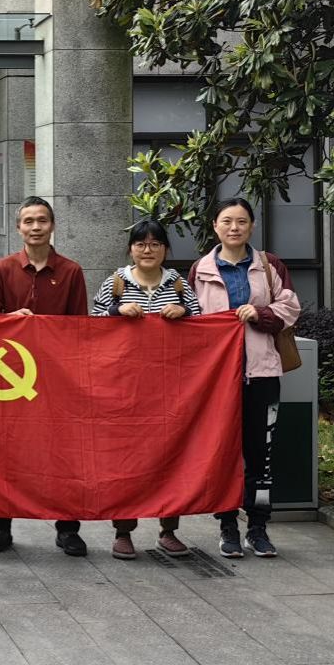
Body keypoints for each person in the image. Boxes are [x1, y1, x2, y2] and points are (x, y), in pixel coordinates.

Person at [189, 197, 301, 559]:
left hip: (262, 374)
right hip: (217, 380)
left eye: (241, 221)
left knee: (260, 456)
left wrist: (260, 313)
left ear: (252, 226)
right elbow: (192, 319)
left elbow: (290, 307)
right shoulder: (201, 269)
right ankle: (227, 527)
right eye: (226, 221)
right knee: (222, 455)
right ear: (215, 226)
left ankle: (258, 527)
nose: (234, 228)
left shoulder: (269, 265)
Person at [0, 195, 91, 556]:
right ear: (18, 228)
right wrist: (11, 320)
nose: (35, 227)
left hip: (58, 377)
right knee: (6, 450)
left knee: (63, 452)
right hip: (11, 378)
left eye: (42, 220)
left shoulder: (71, 271)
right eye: (28, 221)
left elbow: (80, 327)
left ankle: (68, 527)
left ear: (53, 225)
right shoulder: (3, 269)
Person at [90, 218, 202, 560]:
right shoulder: (115, 283)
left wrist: (184, 311)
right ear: (131, 249)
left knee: (172, 456)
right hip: (125, 389)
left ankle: (169, 530)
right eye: (141, 244)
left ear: (165, 249)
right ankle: (123, 531)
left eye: (155, 244)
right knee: (126, 459)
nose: (147, 250)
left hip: (171, 390)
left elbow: (203, 325)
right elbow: (90, 324)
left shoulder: (179, 284)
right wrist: (116, 310)